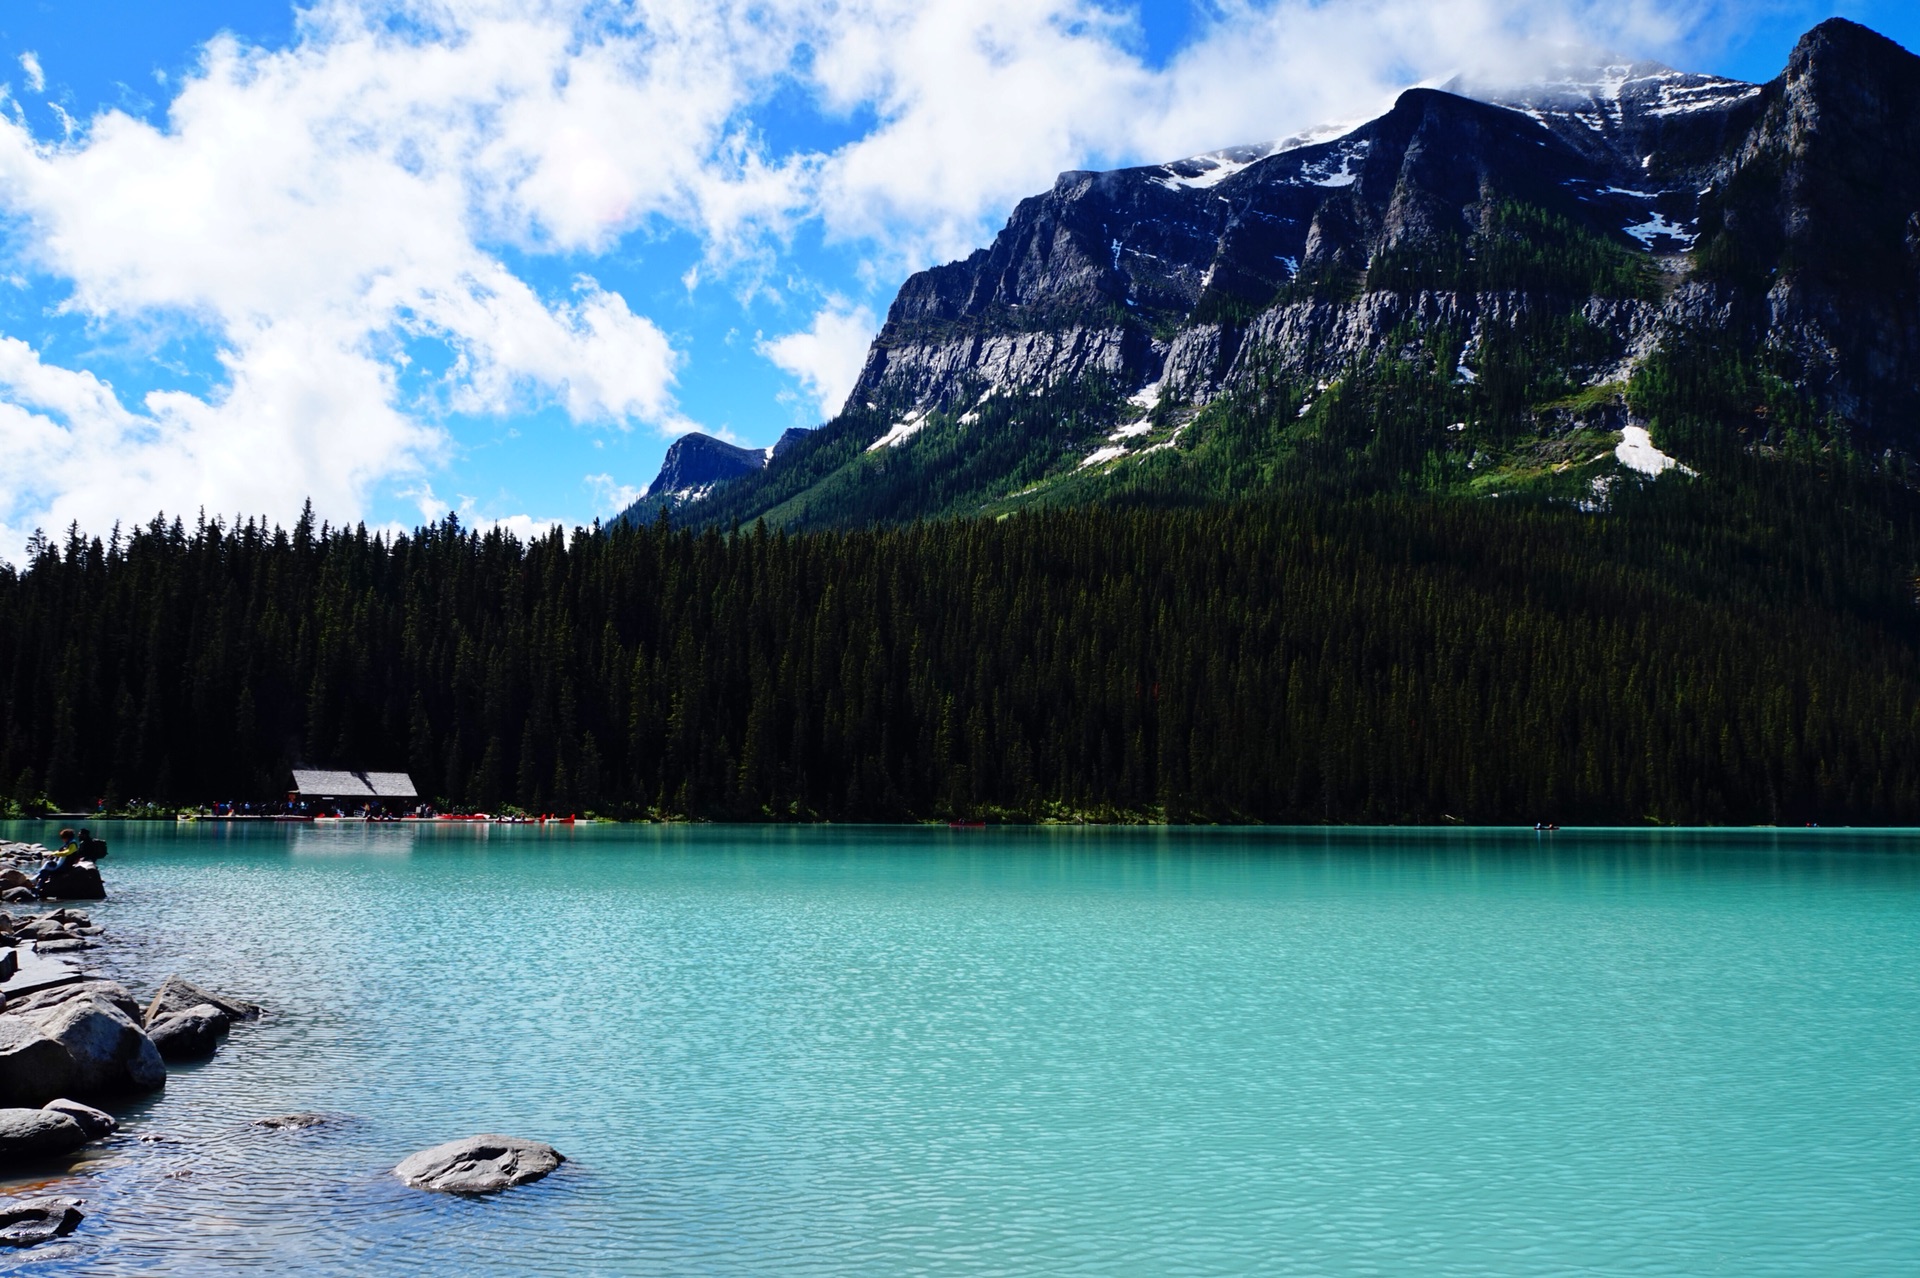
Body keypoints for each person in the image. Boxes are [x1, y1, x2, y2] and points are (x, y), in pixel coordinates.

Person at [34, 828, 83, 896]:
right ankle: (37, 888)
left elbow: (67, 852)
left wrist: (55, 853)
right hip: (61, 864)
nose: (62, 840)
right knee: (47, 871)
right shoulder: (68, 844)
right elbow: (61, 852)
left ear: (66, 837)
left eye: (63, 838)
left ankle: (36, 881)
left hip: (66, 866)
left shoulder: (73, 845)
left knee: (47, 867)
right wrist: (55, 855)